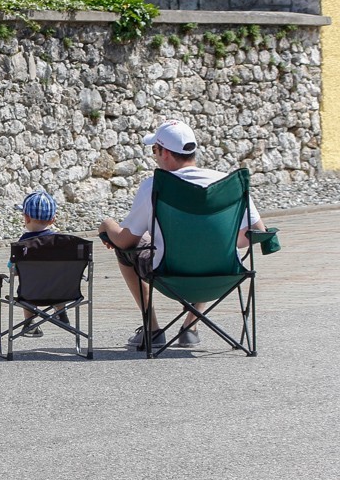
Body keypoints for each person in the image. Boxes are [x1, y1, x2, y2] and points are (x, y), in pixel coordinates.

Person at [98, 120, 266, 349]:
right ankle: (190, 327)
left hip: (168, 276)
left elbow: (126, 241)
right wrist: (217, 242)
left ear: (166, 153)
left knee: (125, 251)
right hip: (223, 275)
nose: (155, 156)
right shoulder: (229, 183)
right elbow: (258, 232)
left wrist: (107, 225)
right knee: (208, 250)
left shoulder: (154, 186)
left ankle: (152, 330)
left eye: (155, 150)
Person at [14, 190, 69, 337]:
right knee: (58, 280)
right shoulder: (61, 242)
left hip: (31, 294)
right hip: (61, 293)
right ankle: (61, 312)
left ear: (26, 218)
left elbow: (15, 270)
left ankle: (30, 323)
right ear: (53, 220)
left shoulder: (23, 243)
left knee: (29, 285)